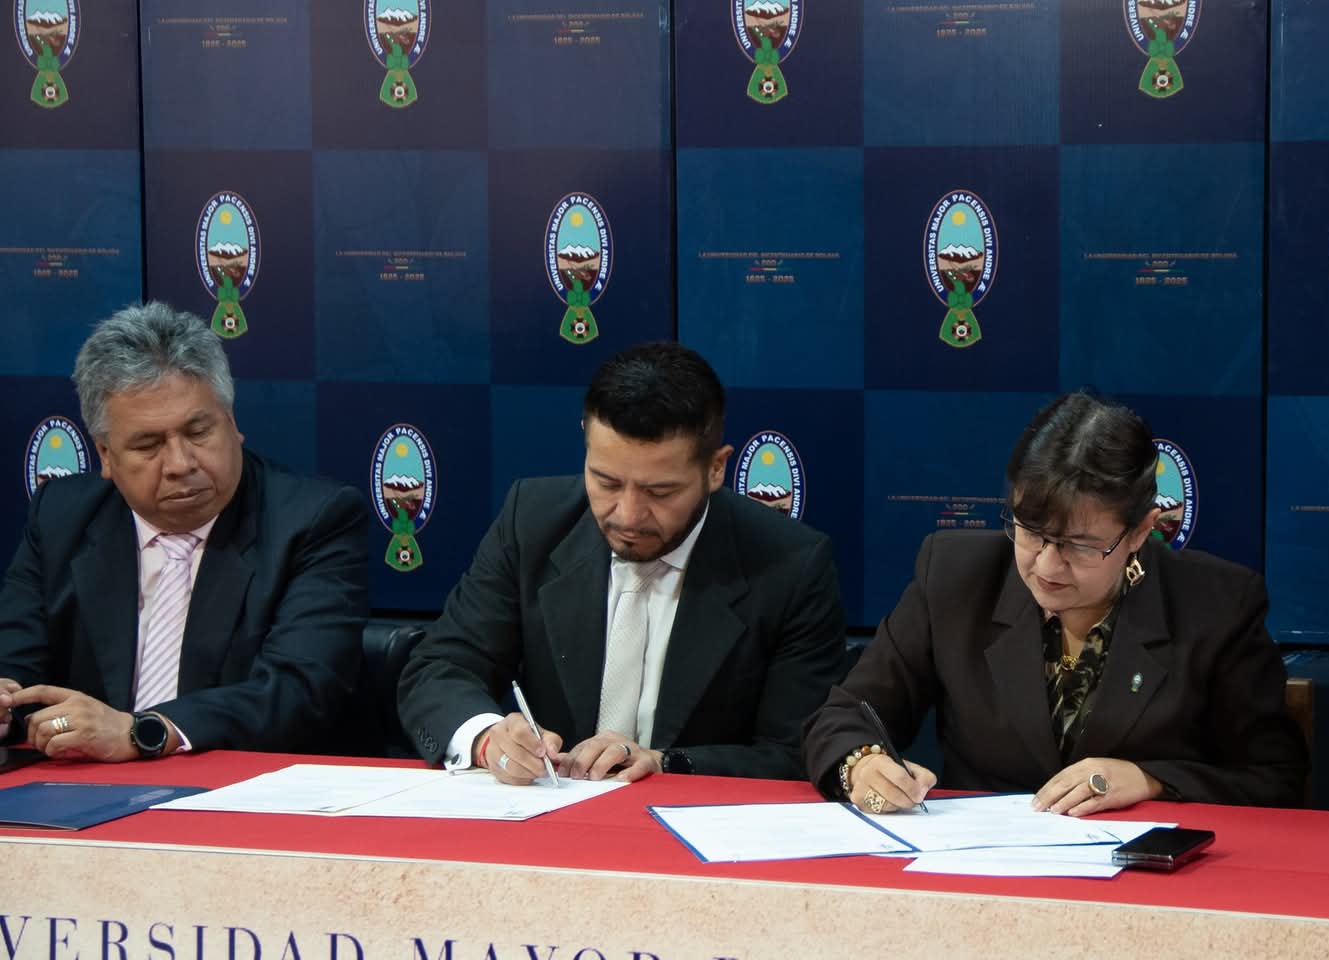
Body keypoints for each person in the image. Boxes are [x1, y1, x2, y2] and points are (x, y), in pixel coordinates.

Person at [803, 392, 1308, 815]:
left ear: (1140, 532)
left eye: (1079, 546)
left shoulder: (1216, 605)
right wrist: (861, 764)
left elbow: (1275, 778)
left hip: (1148, 875)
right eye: (1030, 531)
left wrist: (1151, 780)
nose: (1046, 565)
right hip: (982, 869)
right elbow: (845, 715)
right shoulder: (955, 577)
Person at [396, 342, 846, 784]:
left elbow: (794, 752)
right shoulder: (531, 521)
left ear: (715, 468)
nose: (628, 516)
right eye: (606, 482)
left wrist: (664, 763)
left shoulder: (790, 565)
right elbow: (439, 669)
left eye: (660, 492)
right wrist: (486, 738)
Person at [0, 302, 367, 761]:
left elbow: (298, 691)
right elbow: (16, 661)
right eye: (148, 444)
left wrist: (144, 732)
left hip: (242, 784)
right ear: (106, 455)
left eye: (198, 432)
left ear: (232, 424)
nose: (180, 464)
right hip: (81, 784)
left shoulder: (312, 520)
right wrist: (5, 702)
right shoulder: (61, 516)